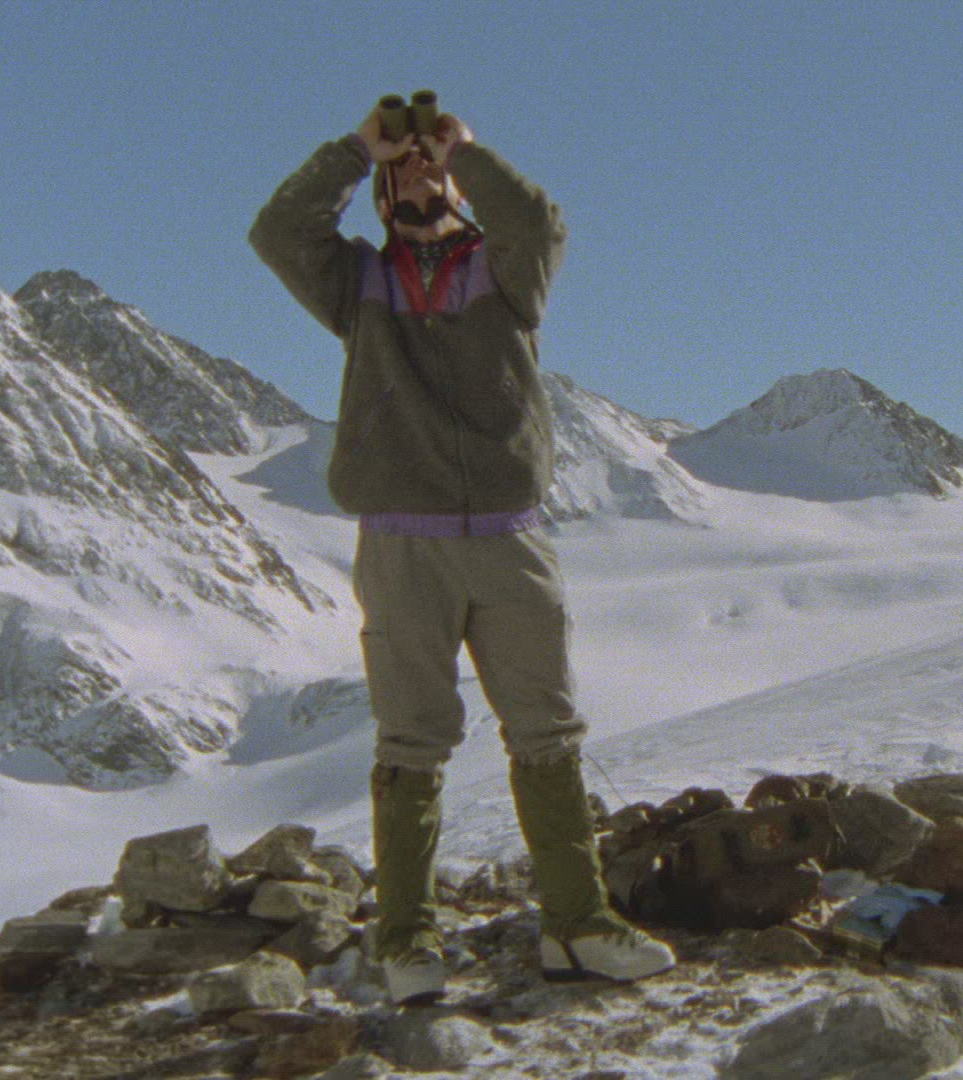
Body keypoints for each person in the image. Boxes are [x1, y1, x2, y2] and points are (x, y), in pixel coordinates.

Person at [249, 96, 675, 1005]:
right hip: (403, 547)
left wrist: (465, 154)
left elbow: (539, 223)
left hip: (510, 540)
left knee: (547, 731)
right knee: (411, 739)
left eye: (429, 165)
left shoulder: (505, 272)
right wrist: (357, 149)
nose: (417, 174)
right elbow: (278, 231)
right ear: (377, 196)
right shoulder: (358, 283)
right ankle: (407, 940)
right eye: (400, 169)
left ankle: (578, 925)